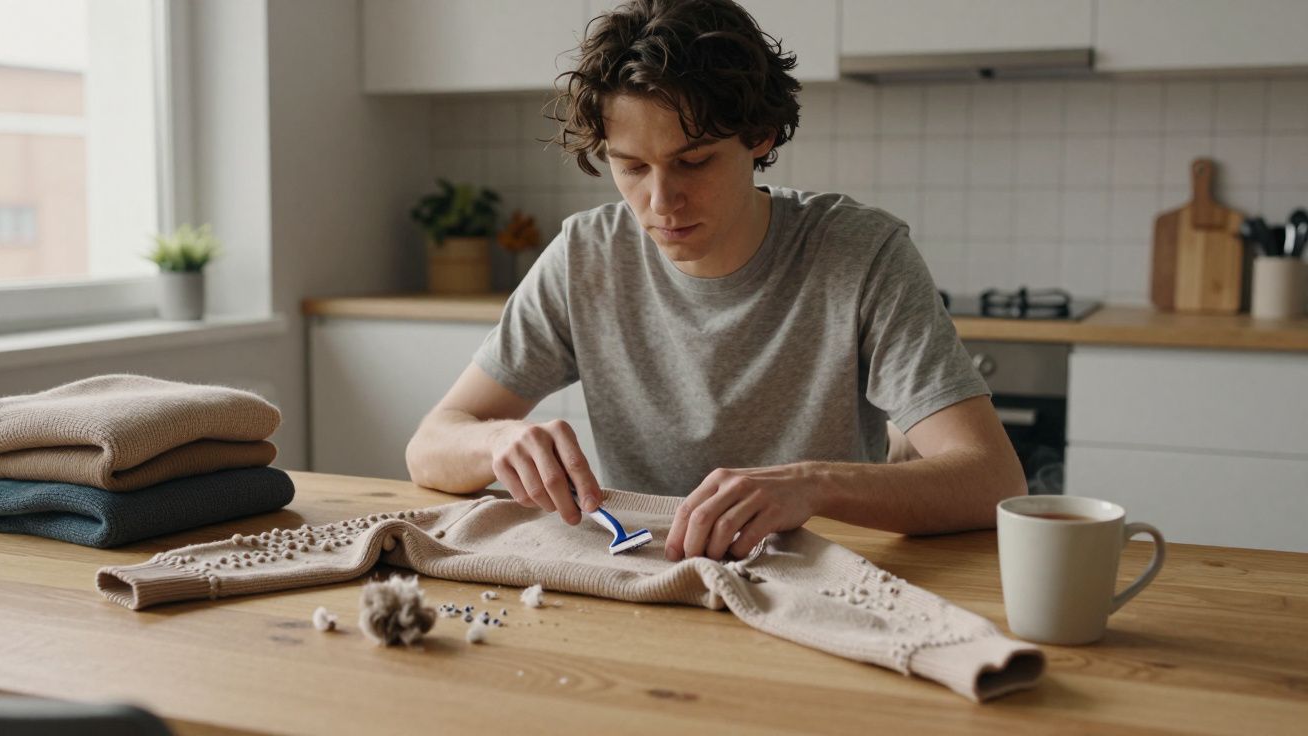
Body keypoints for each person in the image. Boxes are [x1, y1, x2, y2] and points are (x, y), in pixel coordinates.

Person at [406, 0, 1026, 562]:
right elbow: (430, 444)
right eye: (631, 168)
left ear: (759, 137)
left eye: (693, 161)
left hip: (819, 575)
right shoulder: (585, 256)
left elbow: (991, 480)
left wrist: (811, 484)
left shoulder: (860, 253)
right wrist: (499, 444)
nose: (660, 201)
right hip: (649, 576)